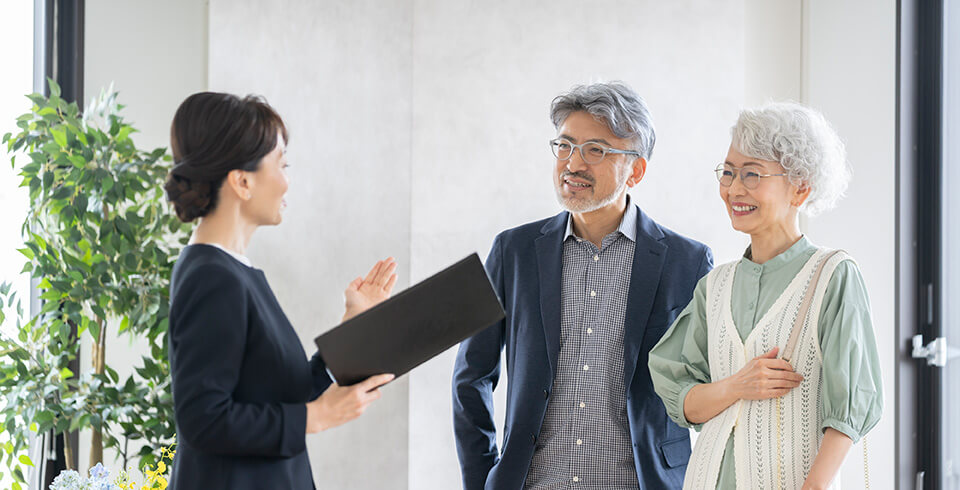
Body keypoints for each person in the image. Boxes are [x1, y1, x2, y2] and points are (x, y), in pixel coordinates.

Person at [452, 81, 713, 490]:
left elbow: (703, 385)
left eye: (596, 151)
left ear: (636, 169)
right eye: (565, 146)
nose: (573, 164)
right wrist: (483, 477)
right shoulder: (514, 251)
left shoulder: (688, 262)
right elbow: (472, 376)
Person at [164, 92, 396, 489]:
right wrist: (317, 416)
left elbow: (286, 391)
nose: (288, 181)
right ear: (242, 181)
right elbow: (203, 419)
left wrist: (352, 324)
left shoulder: (234, 272)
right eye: (282, 164)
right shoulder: (212, 277)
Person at [648, 102, 883, 489]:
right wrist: (736, 386)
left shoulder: (833, 275)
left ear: (801, 187)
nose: (733, 189)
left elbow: (851, 410)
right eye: (728, 172)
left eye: (752, 174)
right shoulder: (715, 285)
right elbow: (681, 397)